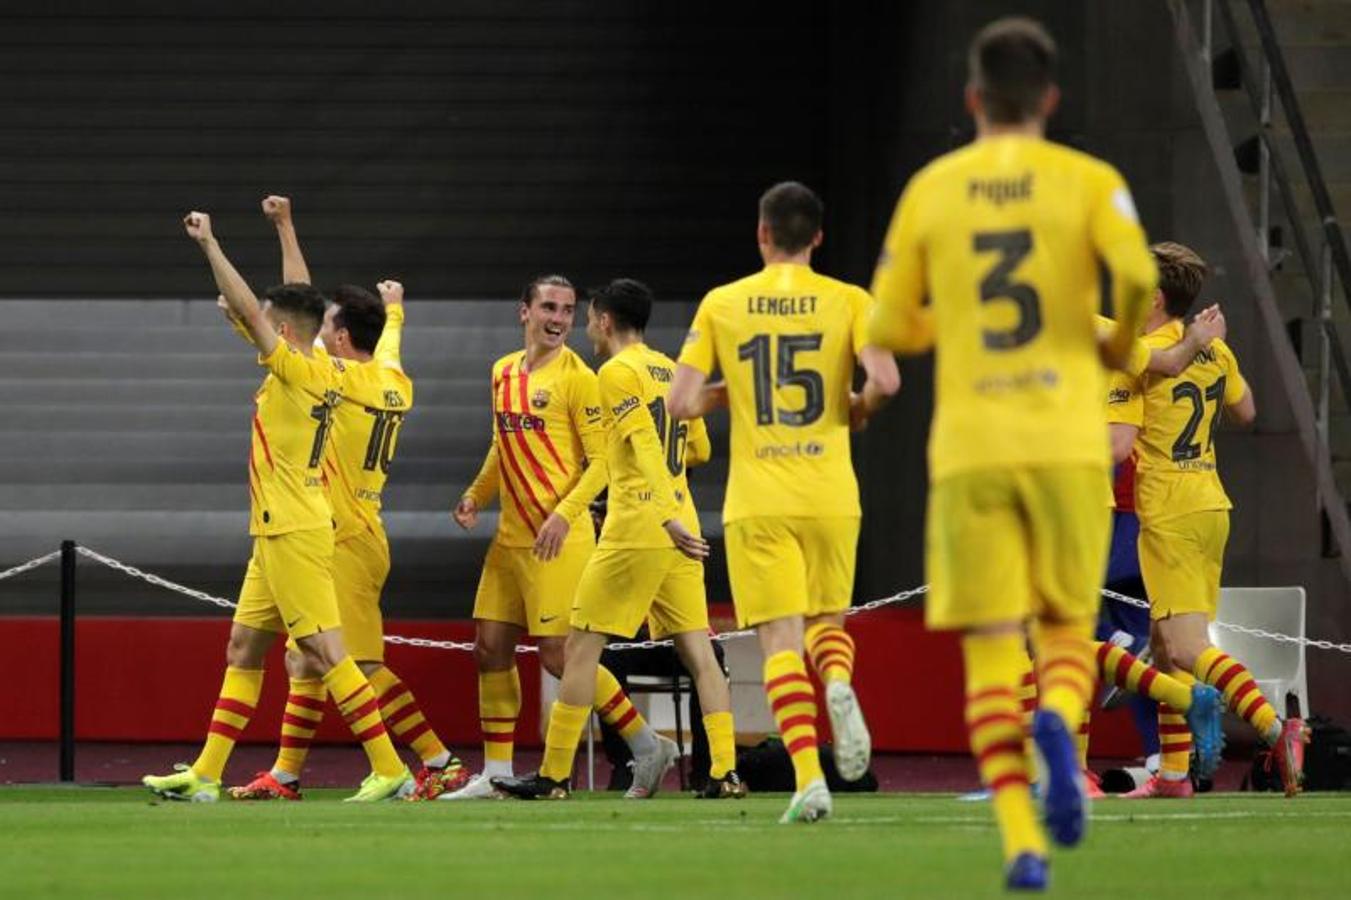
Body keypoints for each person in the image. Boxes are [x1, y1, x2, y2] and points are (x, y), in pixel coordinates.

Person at [868, 17, 1156, 889]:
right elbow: (1139, 281)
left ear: (971, 99)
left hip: (970, 450)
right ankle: (1062, 731)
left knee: (993, 647)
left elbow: (885, 325)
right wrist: (1112, 346)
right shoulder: (1090, 181)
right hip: (1069, 444)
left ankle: (1020, 841)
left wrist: (935, 324)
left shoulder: (933, 187)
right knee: (1068, 628)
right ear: (1050, 100)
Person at [142, 212, 411, 803]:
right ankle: (207, 775)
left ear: (282, 333)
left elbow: (248, 303)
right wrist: (286, 229)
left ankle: (389, 768)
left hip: (295, 529)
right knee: (244, 644)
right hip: (276, 529)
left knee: (322, 652)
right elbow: (300, 299)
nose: (253, 323)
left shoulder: (293, 368)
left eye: (266, 322)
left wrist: (210, 242)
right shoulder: (321, 365)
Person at [668, 182, 901, 823]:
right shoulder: (850, 299)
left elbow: (681, 403)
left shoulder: (723, 303)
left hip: (759, 497)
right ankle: (839, 685)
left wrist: (726, 394)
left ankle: (808, 780)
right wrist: (859, 409)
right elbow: (885, 379)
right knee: (828, 625)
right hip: (830, 492)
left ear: (762, 233)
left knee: (778, 641)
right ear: (818, 237)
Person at [227, 196, 467, 802]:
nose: (322, 331)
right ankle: (284, 776)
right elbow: (383, 336)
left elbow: (290, 315)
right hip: (359, 529)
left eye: (328, 325)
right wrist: (395, 307)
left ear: (337, 337)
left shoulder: (337, 381)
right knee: (304, 662)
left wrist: (283, 236)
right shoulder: (389, 378)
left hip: (346, 536)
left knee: (355, 666)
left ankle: (438, 762)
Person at [494, 278, 744, 801]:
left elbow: (642, 443)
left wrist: (662, 511)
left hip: (640, 527)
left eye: (588, 318)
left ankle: (554, 776)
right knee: (699, 652)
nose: (585, 327)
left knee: (581, 648)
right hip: (683, 526)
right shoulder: (671, 369)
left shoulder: (615, 372)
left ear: (605, 320)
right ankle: (723, 772)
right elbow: (695, 447)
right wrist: (676, 508)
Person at [445, 276, 673, 800]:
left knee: (559, 656)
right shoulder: (502, 371)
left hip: (560, 541)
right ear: (523, 311)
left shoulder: (581, 379)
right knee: (490, 648)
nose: (559, 318)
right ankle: (494, 774)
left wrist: (566, 516)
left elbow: (603, 462)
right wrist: (476, 496)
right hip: (510, 538)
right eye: (549, 307)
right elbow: (502, 446)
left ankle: (645, 744)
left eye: (569, 310)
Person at [1107, 241, 1308, 798]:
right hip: (1211, 503)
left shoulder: (1137, 357)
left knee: (1190, 646)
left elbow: (1118, 448)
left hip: (1168, 509)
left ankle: (1278, 728)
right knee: (1168, 644)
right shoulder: (1214, 351)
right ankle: (1174, 776)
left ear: (1152, 297)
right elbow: (1246, 411)